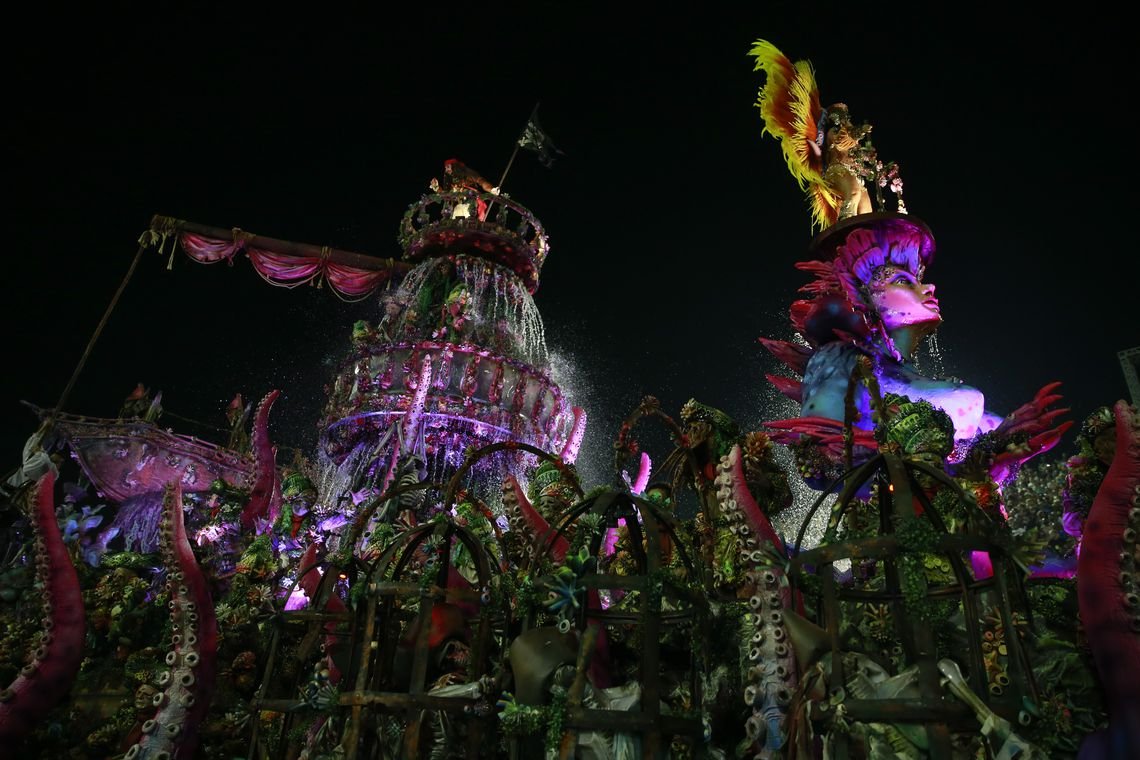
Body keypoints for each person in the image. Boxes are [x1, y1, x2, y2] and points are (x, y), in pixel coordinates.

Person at [763, 214, 1070, 486]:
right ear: (865, 299)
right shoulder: (840, 358)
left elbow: (976, 458)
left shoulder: (906, 374)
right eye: (902, 280)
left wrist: (1008, 439)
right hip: (894, 530)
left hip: (961, 529)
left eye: (920, 280)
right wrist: (891, 460)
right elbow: (817, 462)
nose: (929, 288)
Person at [429, 158, 500, 221]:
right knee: (455, 222)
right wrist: (436, 187)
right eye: (445, 168)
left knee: (466, 223)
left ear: (455, 167)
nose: (446, 170)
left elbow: (481, 181)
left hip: (470, 206)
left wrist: (491, 189)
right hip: (458, 207)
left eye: (448, 167)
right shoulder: (451, 183)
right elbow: (445, 194)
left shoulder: (467, 174)